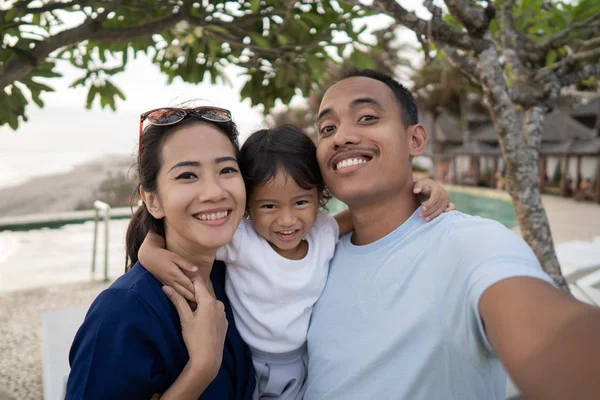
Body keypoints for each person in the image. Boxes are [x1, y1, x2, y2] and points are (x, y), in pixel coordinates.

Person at [305, 68, 600, 400]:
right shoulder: (316, 255)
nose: (341, 137)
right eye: (327, 128)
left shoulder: (470, 244)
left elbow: (552, 334)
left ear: (415, 139)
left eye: (367, 117)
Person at [139, 124, 454, 399]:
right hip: (251, 362)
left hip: (307, 361)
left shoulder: (323, 232)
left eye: (302, 202)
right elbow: (181, 234)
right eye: (269, 206)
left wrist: (420, 192)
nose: (287, 220)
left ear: (321, 198)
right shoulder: (242, 240)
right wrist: (149, 251)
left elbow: (368, 214)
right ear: (248, 205)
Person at [66, 106, 256, 399]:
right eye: (188, 175)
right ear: (152, 200)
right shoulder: (123, 312)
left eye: (227, 170)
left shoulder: (235, 277)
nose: (214, 191)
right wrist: (201, 369)